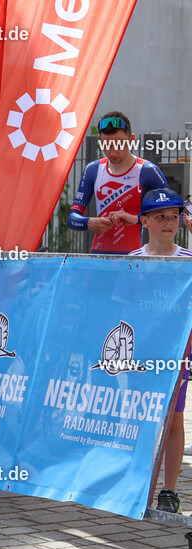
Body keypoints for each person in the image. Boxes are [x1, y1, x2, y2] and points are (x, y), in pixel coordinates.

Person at [129, 189, 192, 514]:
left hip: (177, 357)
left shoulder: (188, 262)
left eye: (174, 216)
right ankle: (138, 482)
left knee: (174, 420)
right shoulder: (132, 263)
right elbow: (121, 311)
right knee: (141, 417)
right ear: (144, 221)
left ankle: (169, 490)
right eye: (159, 216)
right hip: (140, 357)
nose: (168, 222)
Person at [68, 111, 169, 254]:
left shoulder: (147, 171)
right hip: (99, 258)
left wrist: (136, 219)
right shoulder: (93, 170)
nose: (113, 152)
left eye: (119, 144)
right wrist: (89, 223)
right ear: (100, 140)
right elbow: (72, 218)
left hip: (132, 259)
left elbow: (171, 215)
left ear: (131, 140)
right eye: (107, 145)